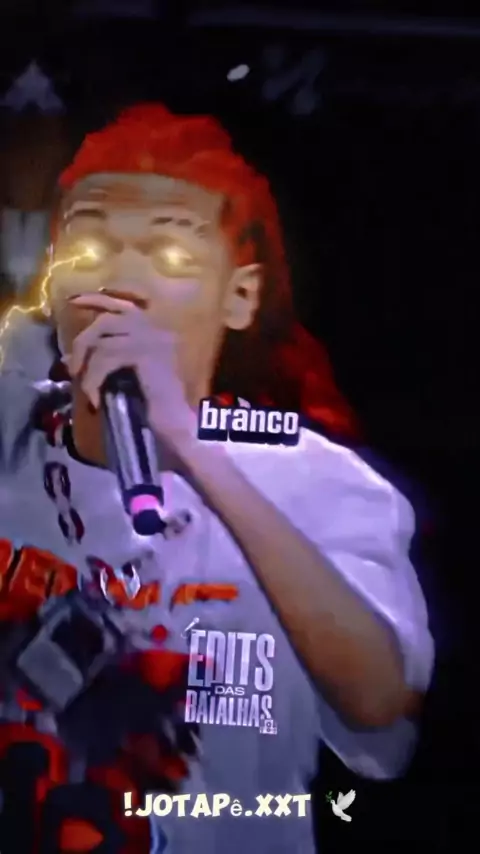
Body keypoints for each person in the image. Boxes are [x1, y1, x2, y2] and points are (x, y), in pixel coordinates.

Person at [0, 103, 434, 854]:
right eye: (90, 244)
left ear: (240, 296)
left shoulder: (316, 482)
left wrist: (188, 444)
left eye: (170, 255)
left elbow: (378, 703)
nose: (121, 278)